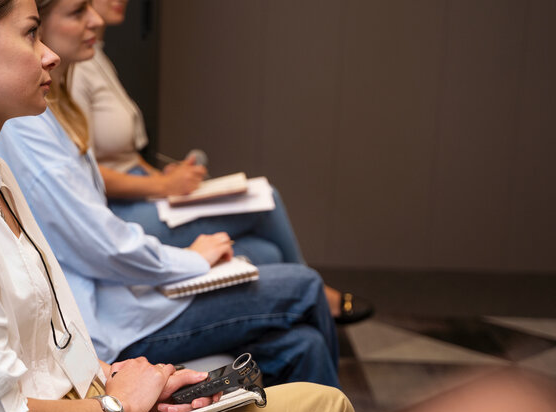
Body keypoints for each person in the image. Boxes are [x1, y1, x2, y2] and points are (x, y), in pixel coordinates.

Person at [0, 0, 359, 412]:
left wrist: (122, 382)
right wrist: (118, 407)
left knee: (298, 374)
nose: (48, 54)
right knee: (326, 408)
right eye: (30, 33)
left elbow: (41, 355)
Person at [0, 0, 341, 390]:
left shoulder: (57, 107)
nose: (96, 19)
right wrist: (192, 260)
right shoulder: (26, 124)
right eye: (76, 12)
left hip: (123, 297)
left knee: (305, 344)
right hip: (109, 323)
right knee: (305, 285)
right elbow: (101, 245)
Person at [71, 0, 372, 322]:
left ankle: (291, 311)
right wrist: (163, 185)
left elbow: (124, 156)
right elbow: (85, 171)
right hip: (119, 211)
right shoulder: (74, 71)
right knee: (265, 199)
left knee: (267, 251)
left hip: (141, 192)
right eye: (78, 10)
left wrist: (164, 177)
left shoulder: (97, 56)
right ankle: (314, 294)